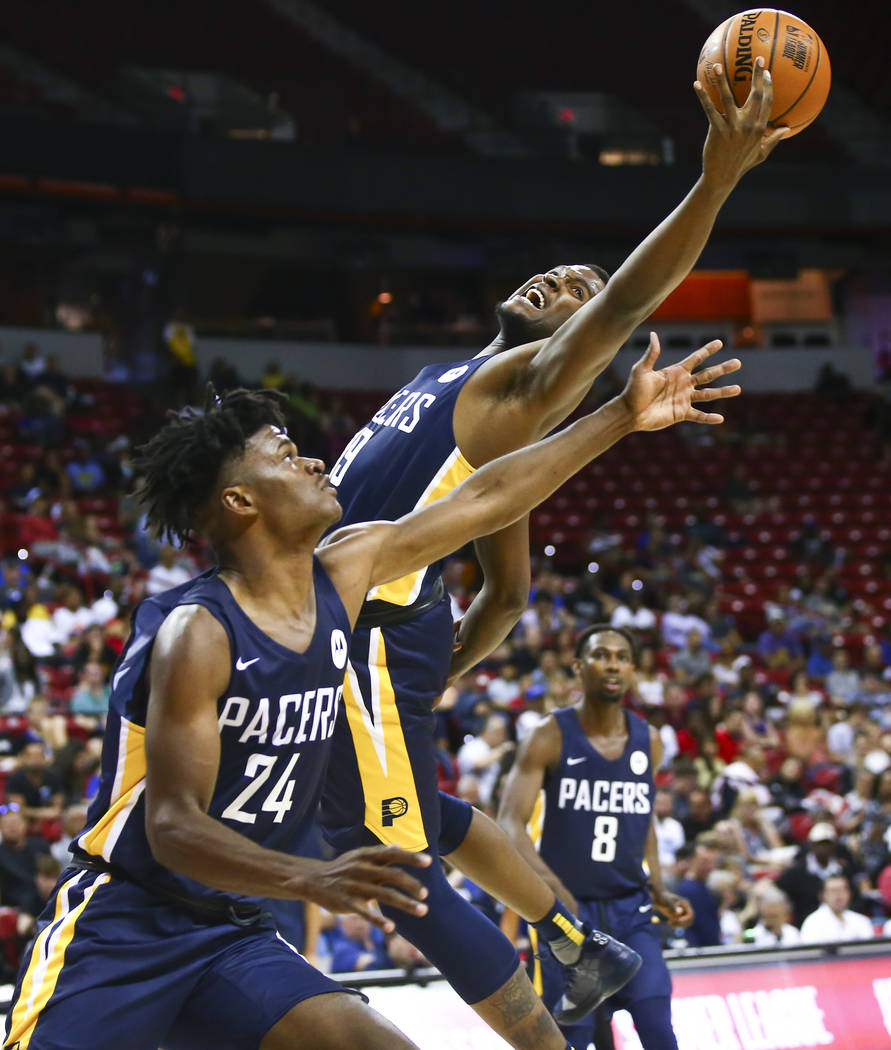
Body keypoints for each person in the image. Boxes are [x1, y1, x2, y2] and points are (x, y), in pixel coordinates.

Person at [5, 358, 728, 1050]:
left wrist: (620, 417)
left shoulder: (348, 569)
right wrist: (309, 878)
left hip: (232, 930)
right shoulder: (198, 632)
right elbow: (170, 828)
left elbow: (485, 498)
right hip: (122, 924)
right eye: (287, 456)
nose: (316, 463)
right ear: (240, 501)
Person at [318, 58, 778, 1034]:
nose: (561, 280)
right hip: (364, 638)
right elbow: (506, 589)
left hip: (361, 632)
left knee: (385, 857)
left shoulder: (522, 394)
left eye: (579, 288)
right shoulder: (468, 394)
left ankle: (547, 1013)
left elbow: (624, 307)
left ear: (574, 355)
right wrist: (433, 677)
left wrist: (716, 179)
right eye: (556, 274)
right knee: (411, 816)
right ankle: (575, 939)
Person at [497, 625, 694, 1050]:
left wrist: (659, 888)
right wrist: (552, 889)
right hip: (569, 916)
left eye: (622, 657)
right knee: (573, 1039)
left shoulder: (650, 741)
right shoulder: (548, 735)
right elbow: (509, 824)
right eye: (601, 655)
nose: (613, 664)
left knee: (659, 1027)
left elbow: (643, 822)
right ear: (579, 667)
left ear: (632, 670)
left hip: (631, 910)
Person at [799, 874, 874, 943]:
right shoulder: (813, 923)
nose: (838, 894)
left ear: (849, 893)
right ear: (822, 895)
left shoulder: (862, 921)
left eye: (842, 890)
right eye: (833, 890)